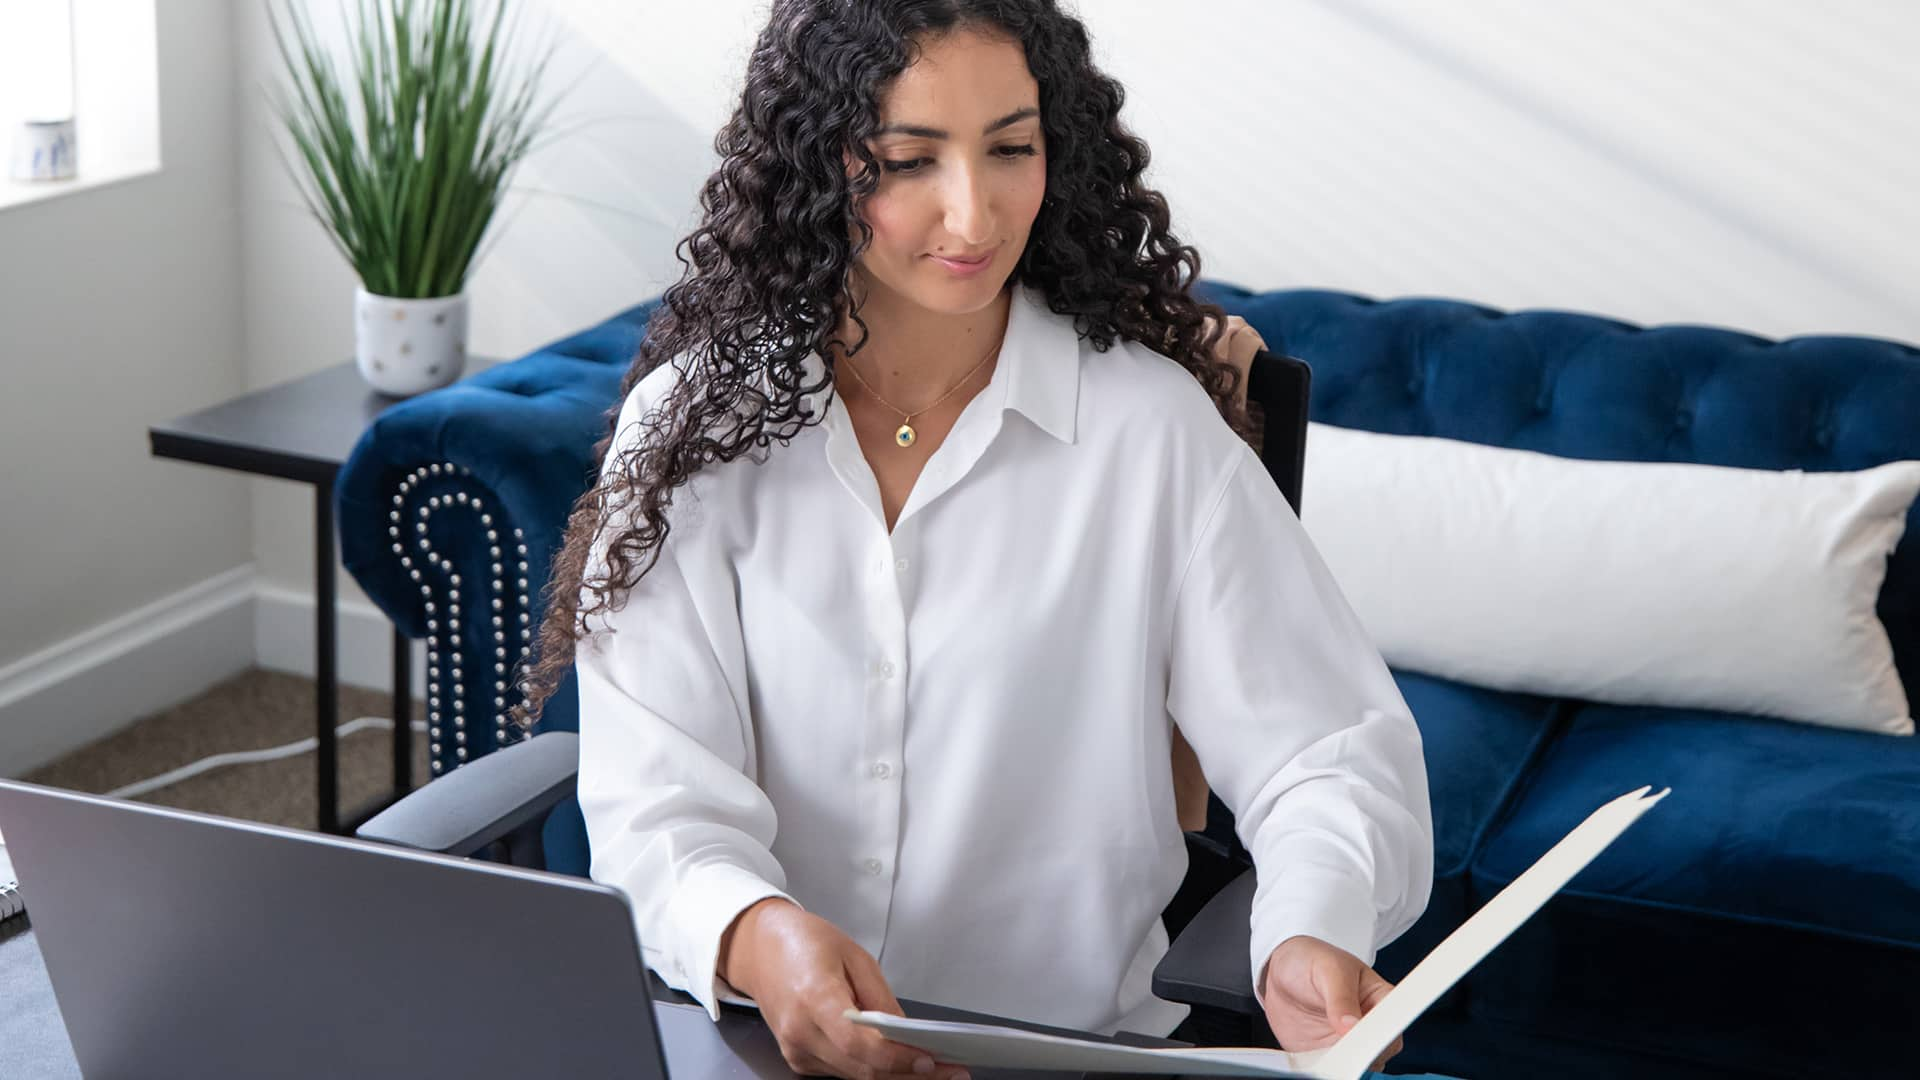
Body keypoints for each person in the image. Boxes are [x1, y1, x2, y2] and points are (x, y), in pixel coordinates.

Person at [509, 2, 1434, 1078]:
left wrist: (1306, 929)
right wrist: (760, 939)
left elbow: (1329, 753)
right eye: (909, 160)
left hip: (1071, 1053)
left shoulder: (1148, 430)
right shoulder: (692, 429)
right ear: (819, 166)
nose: (974, 214)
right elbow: (658, 803)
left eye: (1011, 149)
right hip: (760, 1043)